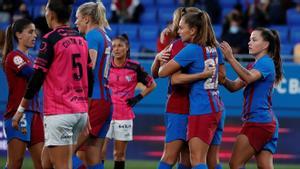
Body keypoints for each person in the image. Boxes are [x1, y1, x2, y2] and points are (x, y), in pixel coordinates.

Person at [12, 0, 91, 168]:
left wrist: (20, 110)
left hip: (59, 113)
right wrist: (87, 109)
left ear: (52, 14)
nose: (45, 13)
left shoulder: (50, 39)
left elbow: (37, 78)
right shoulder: (81, 39)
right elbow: (89, 77)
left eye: (46, 10)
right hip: (80, 112)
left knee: (62, 165)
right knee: (46, 163)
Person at [153, 7, 226, 169]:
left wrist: (160, 59)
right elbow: (222, 78)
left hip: (198, 107)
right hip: (217, 106)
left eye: (180, 27)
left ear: (193, 29)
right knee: (210, 160)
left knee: (194, 159)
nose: (178, 30)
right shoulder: (215, 47)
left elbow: (164, 73)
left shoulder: (189, 48)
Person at [220, 27, 282, 169]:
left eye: (254, 40)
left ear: (266, 45)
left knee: (235, 164)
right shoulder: (253, 65)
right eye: (249, 39)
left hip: (259, 121)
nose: (249, 43)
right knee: (264, 166)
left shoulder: (266, 62)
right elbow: (234, 86)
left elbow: (248, 76)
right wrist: (221, 79)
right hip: (266, 122)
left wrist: (230, 57)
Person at [101, 34, 156, 169]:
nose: (116, 49)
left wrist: (138, 98)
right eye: (113, 46)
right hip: (105, 114)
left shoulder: (134, 67)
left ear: (127, 48)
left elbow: (152, 84)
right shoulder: (105, 66)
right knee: (99, 153)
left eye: (120, 45)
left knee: (119, 154)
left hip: (124, 115)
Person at [74, 2, 113, 169]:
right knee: (90, 154)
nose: (75, 23)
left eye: (77, 19)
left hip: (94, 100)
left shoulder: (91, 36)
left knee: (65, 150)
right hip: (105, 99)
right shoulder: (105, 36)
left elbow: (88, 69)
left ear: (86, 19)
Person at [2, 18, 44, 169]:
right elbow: (31, 74)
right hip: (18, 113)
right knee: (15, 163)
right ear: (19, 35)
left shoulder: (32, 59)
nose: (35, 35)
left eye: (35, 32)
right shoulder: (14, 56)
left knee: (43, 164)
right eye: (30, 32)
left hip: (36, 114)